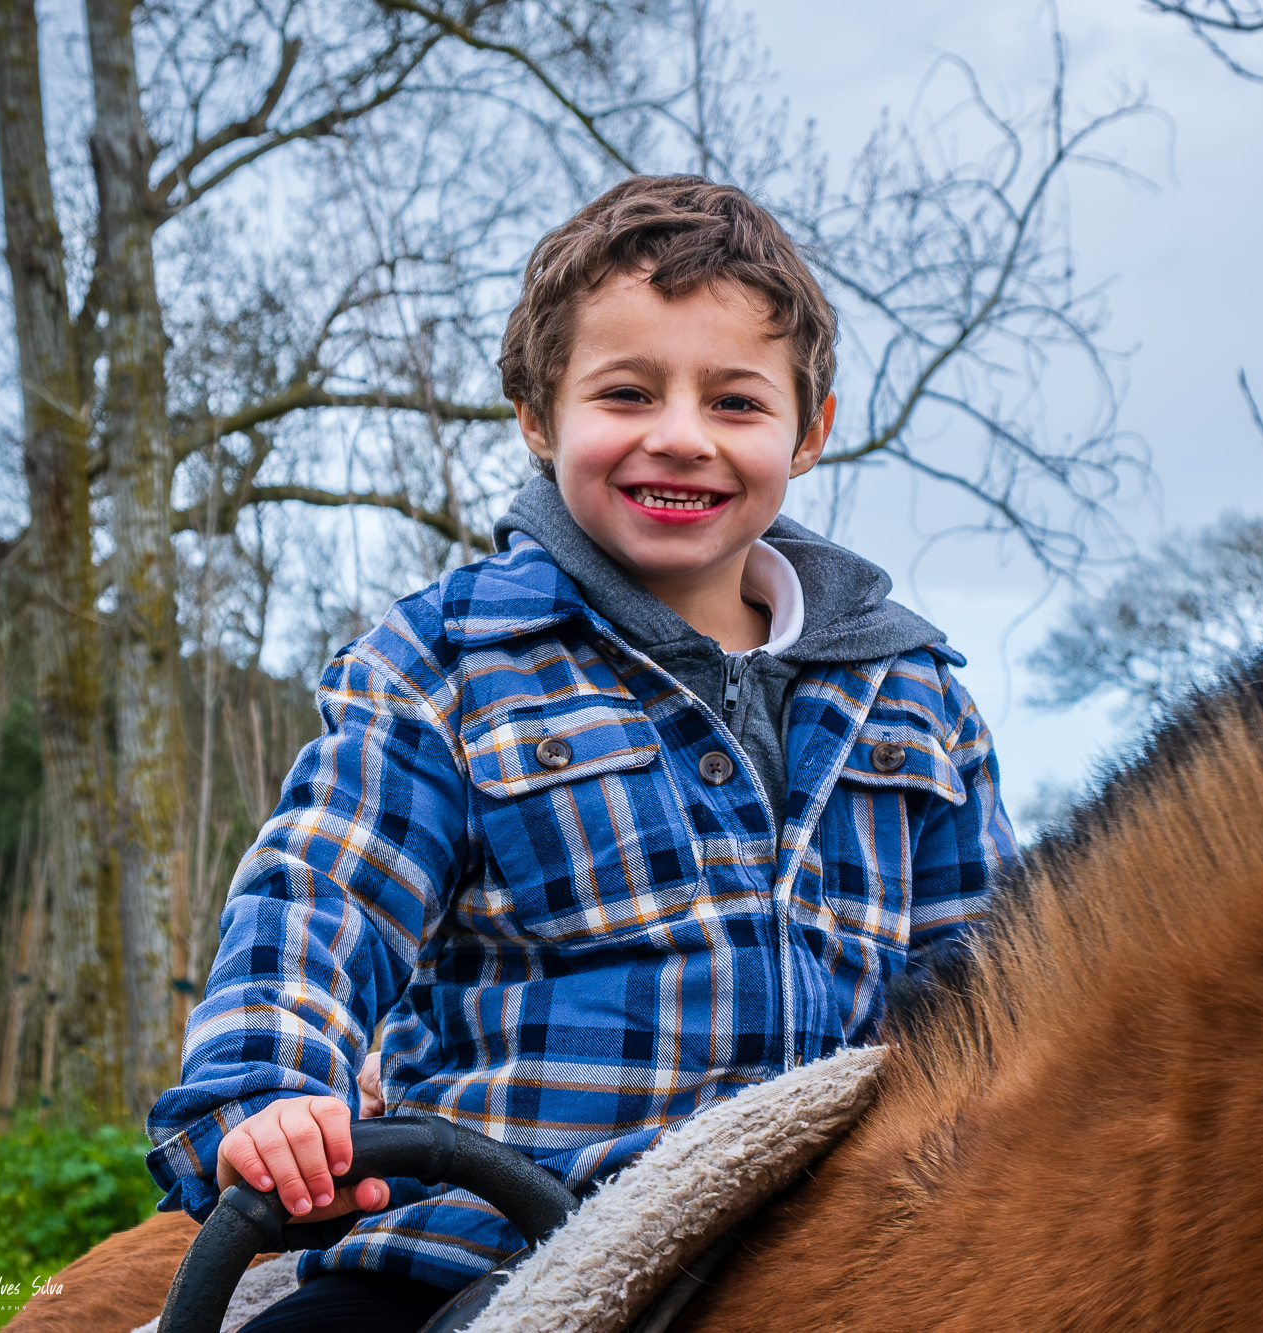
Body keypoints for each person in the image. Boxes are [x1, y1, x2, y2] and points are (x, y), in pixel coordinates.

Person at [144, 174, 1016, 1331]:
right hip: (488, 1230)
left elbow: (991, 978)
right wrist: (270, 1091)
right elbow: (321, 894)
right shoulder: (448, 657)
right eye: (626, 391)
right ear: (536, 415)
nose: (680, 436)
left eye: (735, 402)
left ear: (808, 431)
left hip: (839, 1227)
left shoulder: (913, 693)